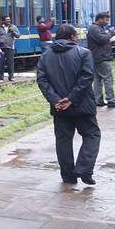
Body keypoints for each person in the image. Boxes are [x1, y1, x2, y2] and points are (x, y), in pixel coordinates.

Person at [37, 24, 100, 185]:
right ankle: (84, 169)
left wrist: (55, 100)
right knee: (92, 134)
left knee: (63, 140)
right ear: (72, 36)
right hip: (83, 105)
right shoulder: (84, 53)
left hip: (59, 107)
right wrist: (71, 98)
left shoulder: (45, 56)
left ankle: (68, 176)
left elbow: (42, 80)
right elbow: (86, 77)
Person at [87, 12, 115, 108]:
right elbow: (101, 39)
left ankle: (98, 100)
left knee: (98, 79)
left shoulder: (98, 28)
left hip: (97, 57)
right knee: (108, 78)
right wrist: (110, 34)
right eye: (106, 19)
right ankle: (111, 100)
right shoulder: (94, 28)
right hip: (101, 57)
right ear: (100, 19)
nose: (107, 22)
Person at [0, 16, 21, 81]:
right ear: (3, 21)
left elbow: (18, 35)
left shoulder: (13, 27)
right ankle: (0, 77)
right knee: (1, 63)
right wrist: (0, 40)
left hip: (10, 47)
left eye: (9, 19)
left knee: (10, 63)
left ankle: (11, 77)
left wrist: (13, 32)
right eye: (7, 20)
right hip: (1, 48)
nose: (9, 21)